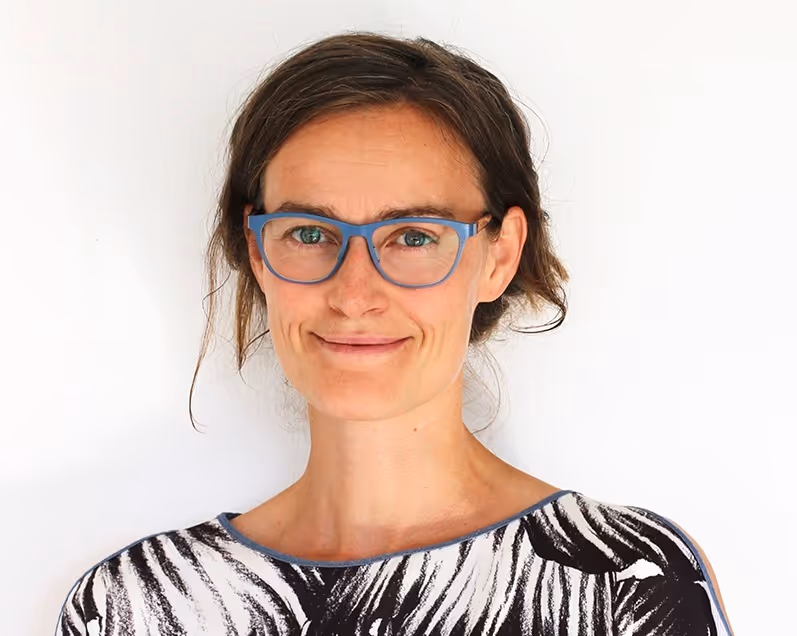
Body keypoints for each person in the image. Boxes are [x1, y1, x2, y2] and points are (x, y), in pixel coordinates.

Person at [56, 32, 734, 635]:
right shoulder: (130, 608)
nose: (354, 295)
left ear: (499, 255)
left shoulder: (625, 582)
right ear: (258, 252)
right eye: (309, 233)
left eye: (413, 236)